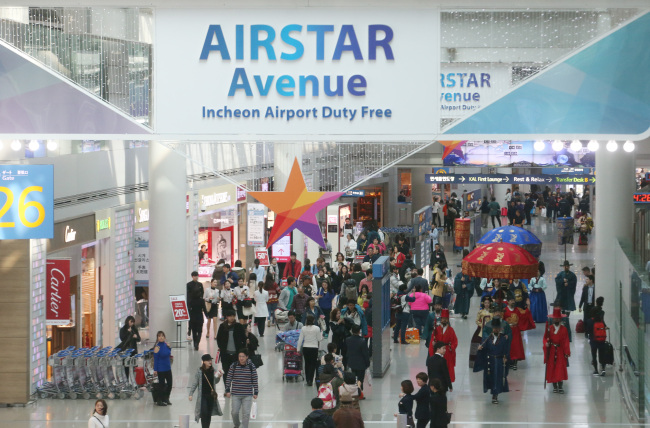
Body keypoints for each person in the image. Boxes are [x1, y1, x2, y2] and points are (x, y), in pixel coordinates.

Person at [474, 319, 510, 404]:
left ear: (500, 328)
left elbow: (506, 351)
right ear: (492, 329)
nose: (496, 330)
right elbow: (483, 349)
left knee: (498, 378)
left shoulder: (504, 339)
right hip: (490, 362)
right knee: (491, 378)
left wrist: (506, 358)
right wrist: (479, 349)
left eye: (497, 328)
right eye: (494, 328)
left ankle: (495, 395)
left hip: (499, 362)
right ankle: (493, 392)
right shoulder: (488, 339)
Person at [225, 349, 259, 428]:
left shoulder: (251, 366)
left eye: (243, 356)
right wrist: (227, 390)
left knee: (246, 414)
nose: (241, 358)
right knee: (234, 412)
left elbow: (255, 379)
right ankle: (237, 424)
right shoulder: (233, 365)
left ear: (247, 357)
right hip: (236, 394)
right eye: (239, 356)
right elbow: (229, 378)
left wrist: (256, 392)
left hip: (247, 395)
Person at [188, 354, 223, 428]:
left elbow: (215, 382)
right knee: (204, 412)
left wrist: (219, 377)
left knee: (208, 413)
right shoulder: (200, 371)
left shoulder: (213, 370)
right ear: (204, 362)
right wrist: (191, 394)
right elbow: (195, 382)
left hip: (211, 395)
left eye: (210, 360)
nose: (210, 362)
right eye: (208, 360)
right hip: (203, 395)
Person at [543, 307, 571, 393]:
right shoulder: (549, 328)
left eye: (558, 318)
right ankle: (554, 386)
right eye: (555, 318)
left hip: (560, 351)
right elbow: (545, 338)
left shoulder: (564, 329)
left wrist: (566, 352)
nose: (556, 319)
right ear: (553, 319)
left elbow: (566, 341)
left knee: (560, 368)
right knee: (552, 367)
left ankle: (560, 386)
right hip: (551, 351)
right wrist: (546, 343)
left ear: (560, 319)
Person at [216, 310, 246, 385]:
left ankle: (236, 388)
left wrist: (242, 349)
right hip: (225, 354)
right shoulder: (222, 326)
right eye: (230, 316)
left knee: (236, 372)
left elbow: (243, 338)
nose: (232, 318)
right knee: (226, 371)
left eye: (233, 316)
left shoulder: (238, 326)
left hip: (237, 354)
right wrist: (221, 347)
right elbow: (219, 338)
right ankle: (227, 388)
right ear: (227, 317)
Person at [428, 310, 458, 385]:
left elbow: (455, 341)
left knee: (447, 367)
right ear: (440, 319)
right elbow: (432, 340)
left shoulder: (451, 330)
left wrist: (452, 347)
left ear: (448, 320)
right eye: (443, 318)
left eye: (446, 318)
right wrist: (433, 344)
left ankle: (446, 383)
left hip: (447, 351)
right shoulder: (436, 330)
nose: (444, 320)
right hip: (438, 351)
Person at [298, 315, 324, 386]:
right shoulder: (317, 328)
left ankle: (307, 379)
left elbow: (300, 339)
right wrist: (322, 336)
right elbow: (319, 339)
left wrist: (298, 349)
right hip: (314, 348)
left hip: (305, 348)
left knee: (307, 364)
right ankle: (311, 380)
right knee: (313, 364)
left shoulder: (303, 328)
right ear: (313, 320)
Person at [345, 324, 370, 391]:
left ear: (352, 331)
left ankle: (354, 391)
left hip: (352, 362)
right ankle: (360, 392)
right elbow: (365, 354)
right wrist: (367, 363)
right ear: (359, 331)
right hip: (361, 364)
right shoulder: (362, 341)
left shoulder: (348, 340)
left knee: (354, 378)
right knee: (360, 379)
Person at [470, 297, 493, 368]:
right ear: (483, 304)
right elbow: (477, 321)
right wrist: (483, 325)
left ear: (490, 304)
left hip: (490, 330)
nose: (487, 304)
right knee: (476, 342)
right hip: (481, 330)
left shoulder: (492, 312)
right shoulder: (480, 312)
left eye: (488, 303)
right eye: (485, 303)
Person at [503, 296, 526, 370]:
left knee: (516, 346)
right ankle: (509, 362)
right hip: (508, 330)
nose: (513, 302)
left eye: (513, 300)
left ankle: (515, 363)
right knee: (509, 346)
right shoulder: (504, 310)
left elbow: (522, 318)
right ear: (508, 301)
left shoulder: (518, 310)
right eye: (511, 300)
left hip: (516, 330)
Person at [152, 331, 173, 406]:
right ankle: (159, 400)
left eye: (162, 336)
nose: (161, 337)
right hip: (161, 369)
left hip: (168, 367)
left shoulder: (166, 345)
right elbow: (156, 359)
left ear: (164, 337)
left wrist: (169, 347)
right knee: (162, 385)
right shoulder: (157, 347)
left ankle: (166, 398)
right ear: (157, 338)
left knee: (170, 384)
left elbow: (168, 353)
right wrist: (155, 370)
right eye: (159, 336)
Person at [586, 308, 608, 376]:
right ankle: (603, 369)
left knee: (594, 355)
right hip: (601, 340)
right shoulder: (601, 321)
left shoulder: (590, 321)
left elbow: (588, 331)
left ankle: (596, 370)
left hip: (593, 340)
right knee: (602, 355)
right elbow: (605, 328)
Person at [188, 284, 209, 351]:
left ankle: (195, 344)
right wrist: (206, 315)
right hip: (200, 317)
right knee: (200, 331)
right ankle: (197, 343)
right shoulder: (201, 301)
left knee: (194, 332)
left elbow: (189, 309)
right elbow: (204, 309)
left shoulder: (191, 301)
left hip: (193, 317)